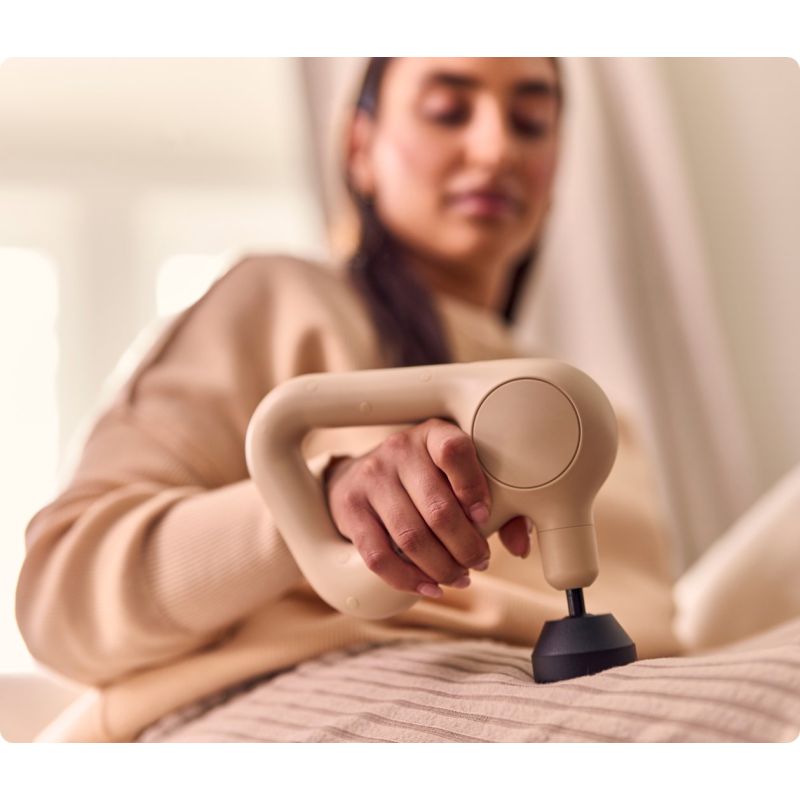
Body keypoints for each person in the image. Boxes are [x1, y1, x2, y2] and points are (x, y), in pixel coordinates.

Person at [15, 58, 680, 743]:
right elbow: (62, 601)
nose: (496, 149)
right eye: (448, 112)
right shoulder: (278, 304)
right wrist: (318, 504)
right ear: (360, 148)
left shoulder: (603, 426)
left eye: (531, 122)